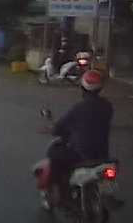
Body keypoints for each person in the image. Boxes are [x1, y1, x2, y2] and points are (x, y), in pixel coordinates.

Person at [45, 69, 113, 209]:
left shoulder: (79, 108)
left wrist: (54, 129)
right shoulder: (107, 106)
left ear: (82, 88)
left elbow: (61, 125)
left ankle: (62, 195)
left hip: (81, 153)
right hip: (102, 153)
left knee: (54, 153)